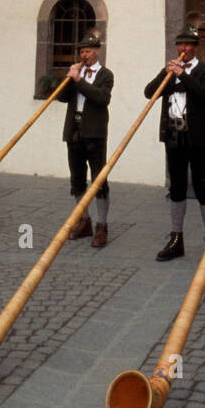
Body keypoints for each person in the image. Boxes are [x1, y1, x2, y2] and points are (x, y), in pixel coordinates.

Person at [145, 23, 205, 261]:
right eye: (179, 44)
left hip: (196, 136)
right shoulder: (169, 72)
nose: (182, 48)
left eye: (187, 44)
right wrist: (164, 74)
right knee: (176, 187)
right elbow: (149, 92)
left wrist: (182, 75)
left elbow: (203, 94)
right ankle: (176, 238)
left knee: (202, 186)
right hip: (174, 135)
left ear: (196, 47)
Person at [58, 31, 114, 248]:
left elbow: (101, 99)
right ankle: (85, 221)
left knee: (99, 181)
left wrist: (80, 81)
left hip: (95, 132)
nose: (84, 54)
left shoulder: (105, 75)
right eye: (82, 51)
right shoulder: (76, 73)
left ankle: (102, 226)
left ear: (97, 52)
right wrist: (69, 79)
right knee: (77, 180)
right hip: (74, 130)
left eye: (88, 50)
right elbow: (62, 98)